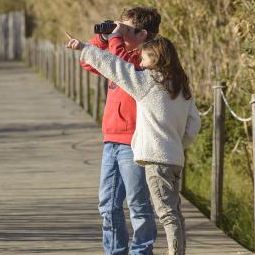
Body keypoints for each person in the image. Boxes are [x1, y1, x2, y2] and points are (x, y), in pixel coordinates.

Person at [66, 29, 201, 255]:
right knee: (173, 211)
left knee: (165, 212)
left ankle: (174, 252)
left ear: (156, 58)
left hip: (154, 157)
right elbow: (193, 125)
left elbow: (115, 67)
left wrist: (84, 47)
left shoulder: (147, 82)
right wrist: (176, 144)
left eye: (145, 57)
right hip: (174, 158)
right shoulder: (181, 87)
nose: (140, 60)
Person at [78, 8, 161, 255]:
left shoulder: (144, 62)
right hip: (111, 141)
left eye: (125, 29)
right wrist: (102, 39)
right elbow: (87, 60)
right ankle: (114, 251)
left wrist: (115, 39)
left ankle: (141, 252)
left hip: (134, 143)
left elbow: (121, 65)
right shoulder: (117, 54)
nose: (118, 33)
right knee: (108, 205)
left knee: (138, 204)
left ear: (143, 35)